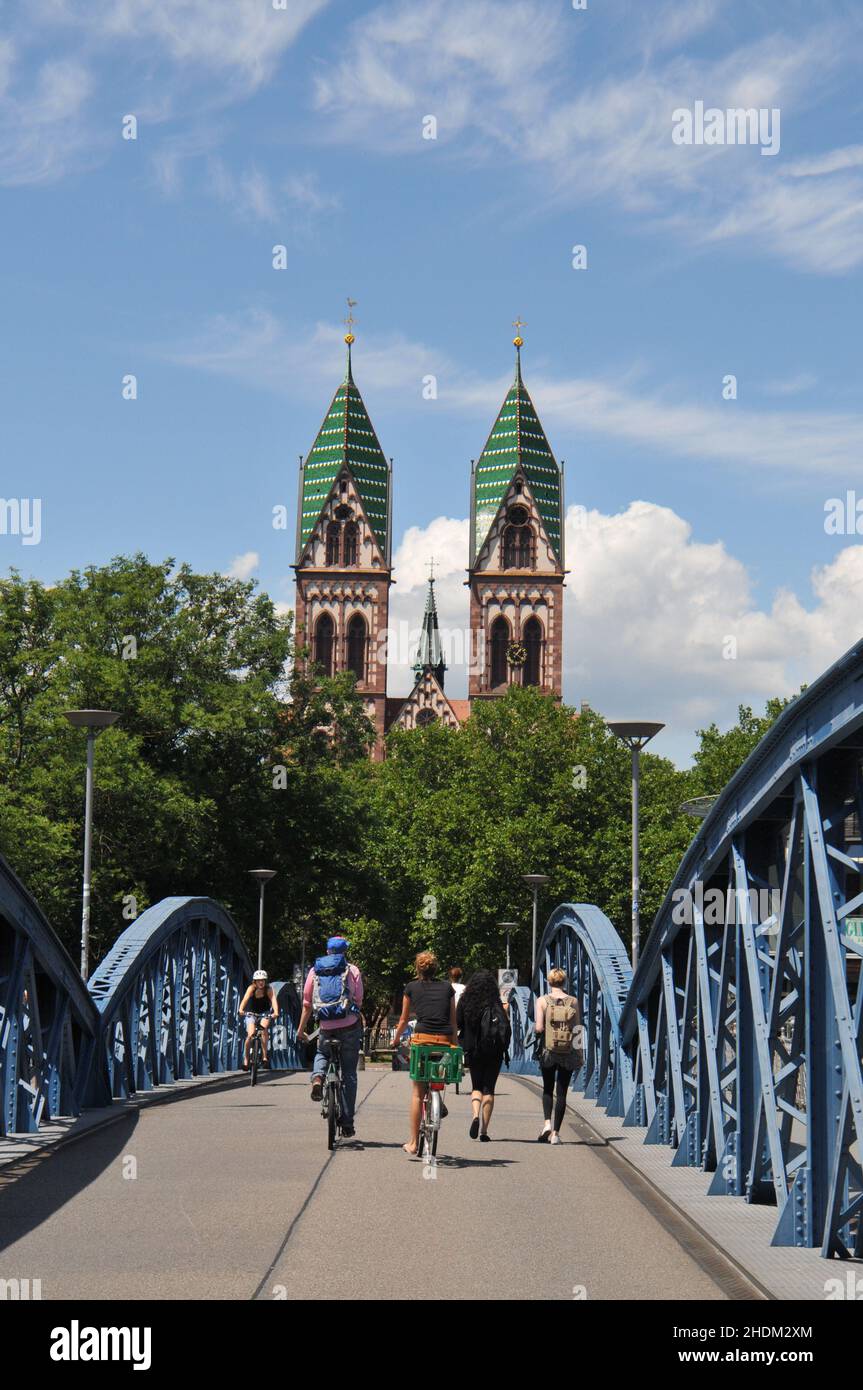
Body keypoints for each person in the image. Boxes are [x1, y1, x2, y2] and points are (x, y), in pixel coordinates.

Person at [296, 935, 364, 1139]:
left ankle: (317, 1078)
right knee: (349, 1074)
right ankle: (347, 1123)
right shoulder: (352, 970)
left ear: (327, 951)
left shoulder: (314, 970)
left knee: (322, 1053)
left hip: (325, 1026)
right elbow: (359, 1000)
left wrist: (301, 1030)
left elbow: (307, 1004)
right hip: (349, 1026)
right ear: (345, 952)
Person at [392, 952, 456, 1157]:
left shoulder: (411, 987)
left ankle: (413, 1143)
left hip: (422, 1040)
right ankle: (437, 1096)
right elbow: (453, 1021)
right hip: (444, 1041)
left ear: (418, 969)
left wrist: (395, 1040)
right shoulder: (448, 988)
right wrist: (455, 1045)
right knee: (436, 1072)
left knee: (417, 1093)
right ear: (436, 968)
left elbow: (403, 1020)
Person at [456, 969, 511, 1141]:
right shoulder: (496, 1003)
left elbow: (458, 1023)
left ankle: (475, 1116)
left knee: (476, 1087)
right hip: (494, 1052)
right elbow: (505, 1029)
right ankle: (484, 1131)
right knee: (489, 1089)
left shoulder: (466, 1001)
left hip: (474, 1050)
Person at [534, 968, 583, 1144]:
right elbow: (577, 1029)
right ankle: (555, 1134)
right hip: (568, 1052)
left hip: (548, 1052)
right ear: (564, 982)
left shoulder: (542, 1001)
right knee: (561, 1093)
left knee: (547, 1089)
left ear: (549, 982)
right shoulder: (573, 1001)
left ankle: (546, 1123)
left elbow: (539, 1028)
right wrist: (579, 1053)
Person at [239, 970, 278, 1069]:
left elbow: (273, 1000)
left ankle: (264, 1057)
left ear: (265, 981)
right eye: (258, 980)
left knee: (263, 1029)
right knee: (250, 1035)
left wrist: (276, 1012)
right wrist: (241, 1009)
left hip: (264, 1013)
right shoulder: (251, 988)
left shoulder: (268, 989)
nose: (261, 982)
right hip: (251, 1013)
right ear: (254, 981)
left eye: (263, 980)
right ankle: (246, 1059)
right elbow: (245, 999)